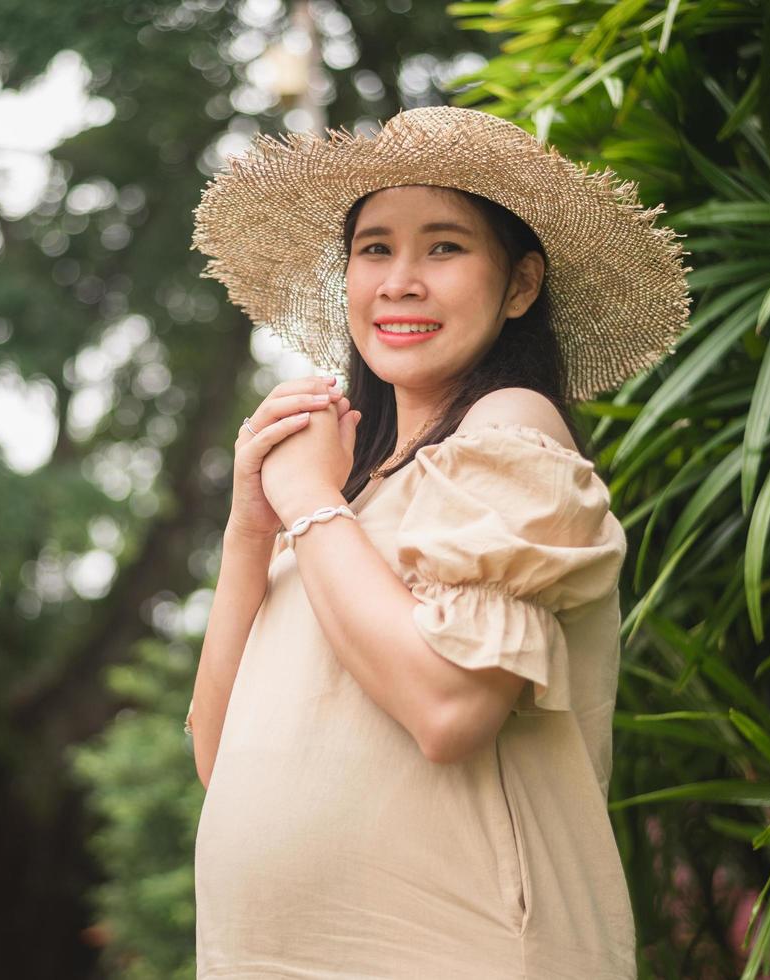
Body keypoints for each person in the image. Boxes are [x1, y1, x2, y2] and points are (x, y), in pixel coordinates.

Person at [183, 106, 690, 978]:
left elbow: (450, 708)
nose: (399, 281)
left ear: (520, 285)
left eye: (444, 247)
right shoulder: (344, 497)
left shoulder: (509, 428)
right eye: (374, 248)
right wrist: (249, 528)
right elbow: (214, 754)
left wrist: (305, 501)